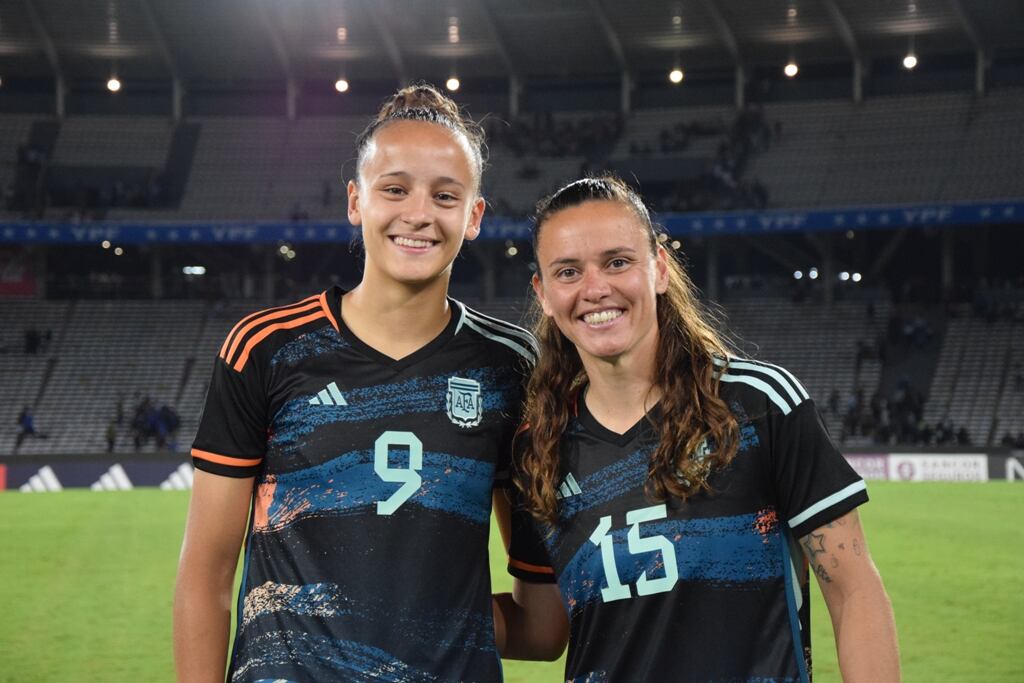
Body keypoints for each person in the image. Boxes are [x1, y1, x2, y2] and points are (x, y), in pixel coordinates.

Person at [174, 84, 537, 682]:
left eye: (445, 195)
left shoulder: (510, 365)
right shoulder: (266, 348)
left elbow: (542, 621)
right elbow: (206, 576)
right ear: (355, 200)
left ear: (474, 216)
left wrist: (411, 620)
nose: (418, 213)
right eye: (394, 189)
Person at [495, 176, 899, 682]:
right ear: (544, 293)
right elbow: (540, 630)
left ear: (659, 268)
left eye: (617, 262)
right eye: (568, 271)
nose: (595, 288)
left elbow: (853, 588)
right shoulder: (538, 450)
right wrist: (410, 607)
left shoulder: (757, 406)